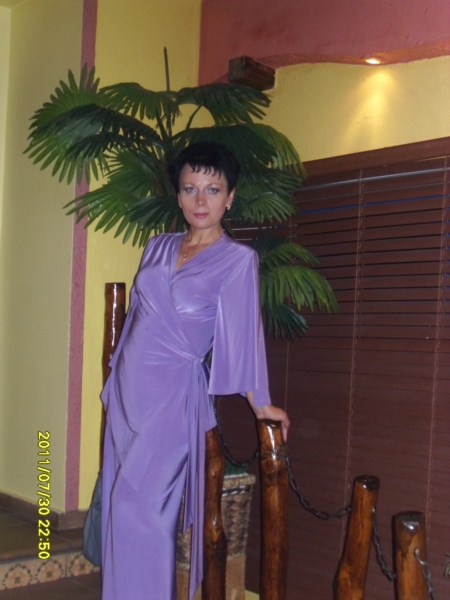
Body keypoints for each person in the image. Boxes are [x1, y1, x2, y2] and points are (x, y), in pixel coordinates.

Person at [100, 142, 290, 600]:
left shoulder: (237, 260)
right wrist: (114, 374)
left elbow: (243, 337)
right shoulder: (157, 246)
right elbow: (139, 316)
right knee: (118, 505)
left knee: (141, 509)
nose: (200, 201)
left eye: (212, 189)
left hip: (173, 397)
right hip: (129, 391)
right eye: (190, 189)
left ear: (230, 197)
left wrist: (261, 404)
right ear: (179, 195)